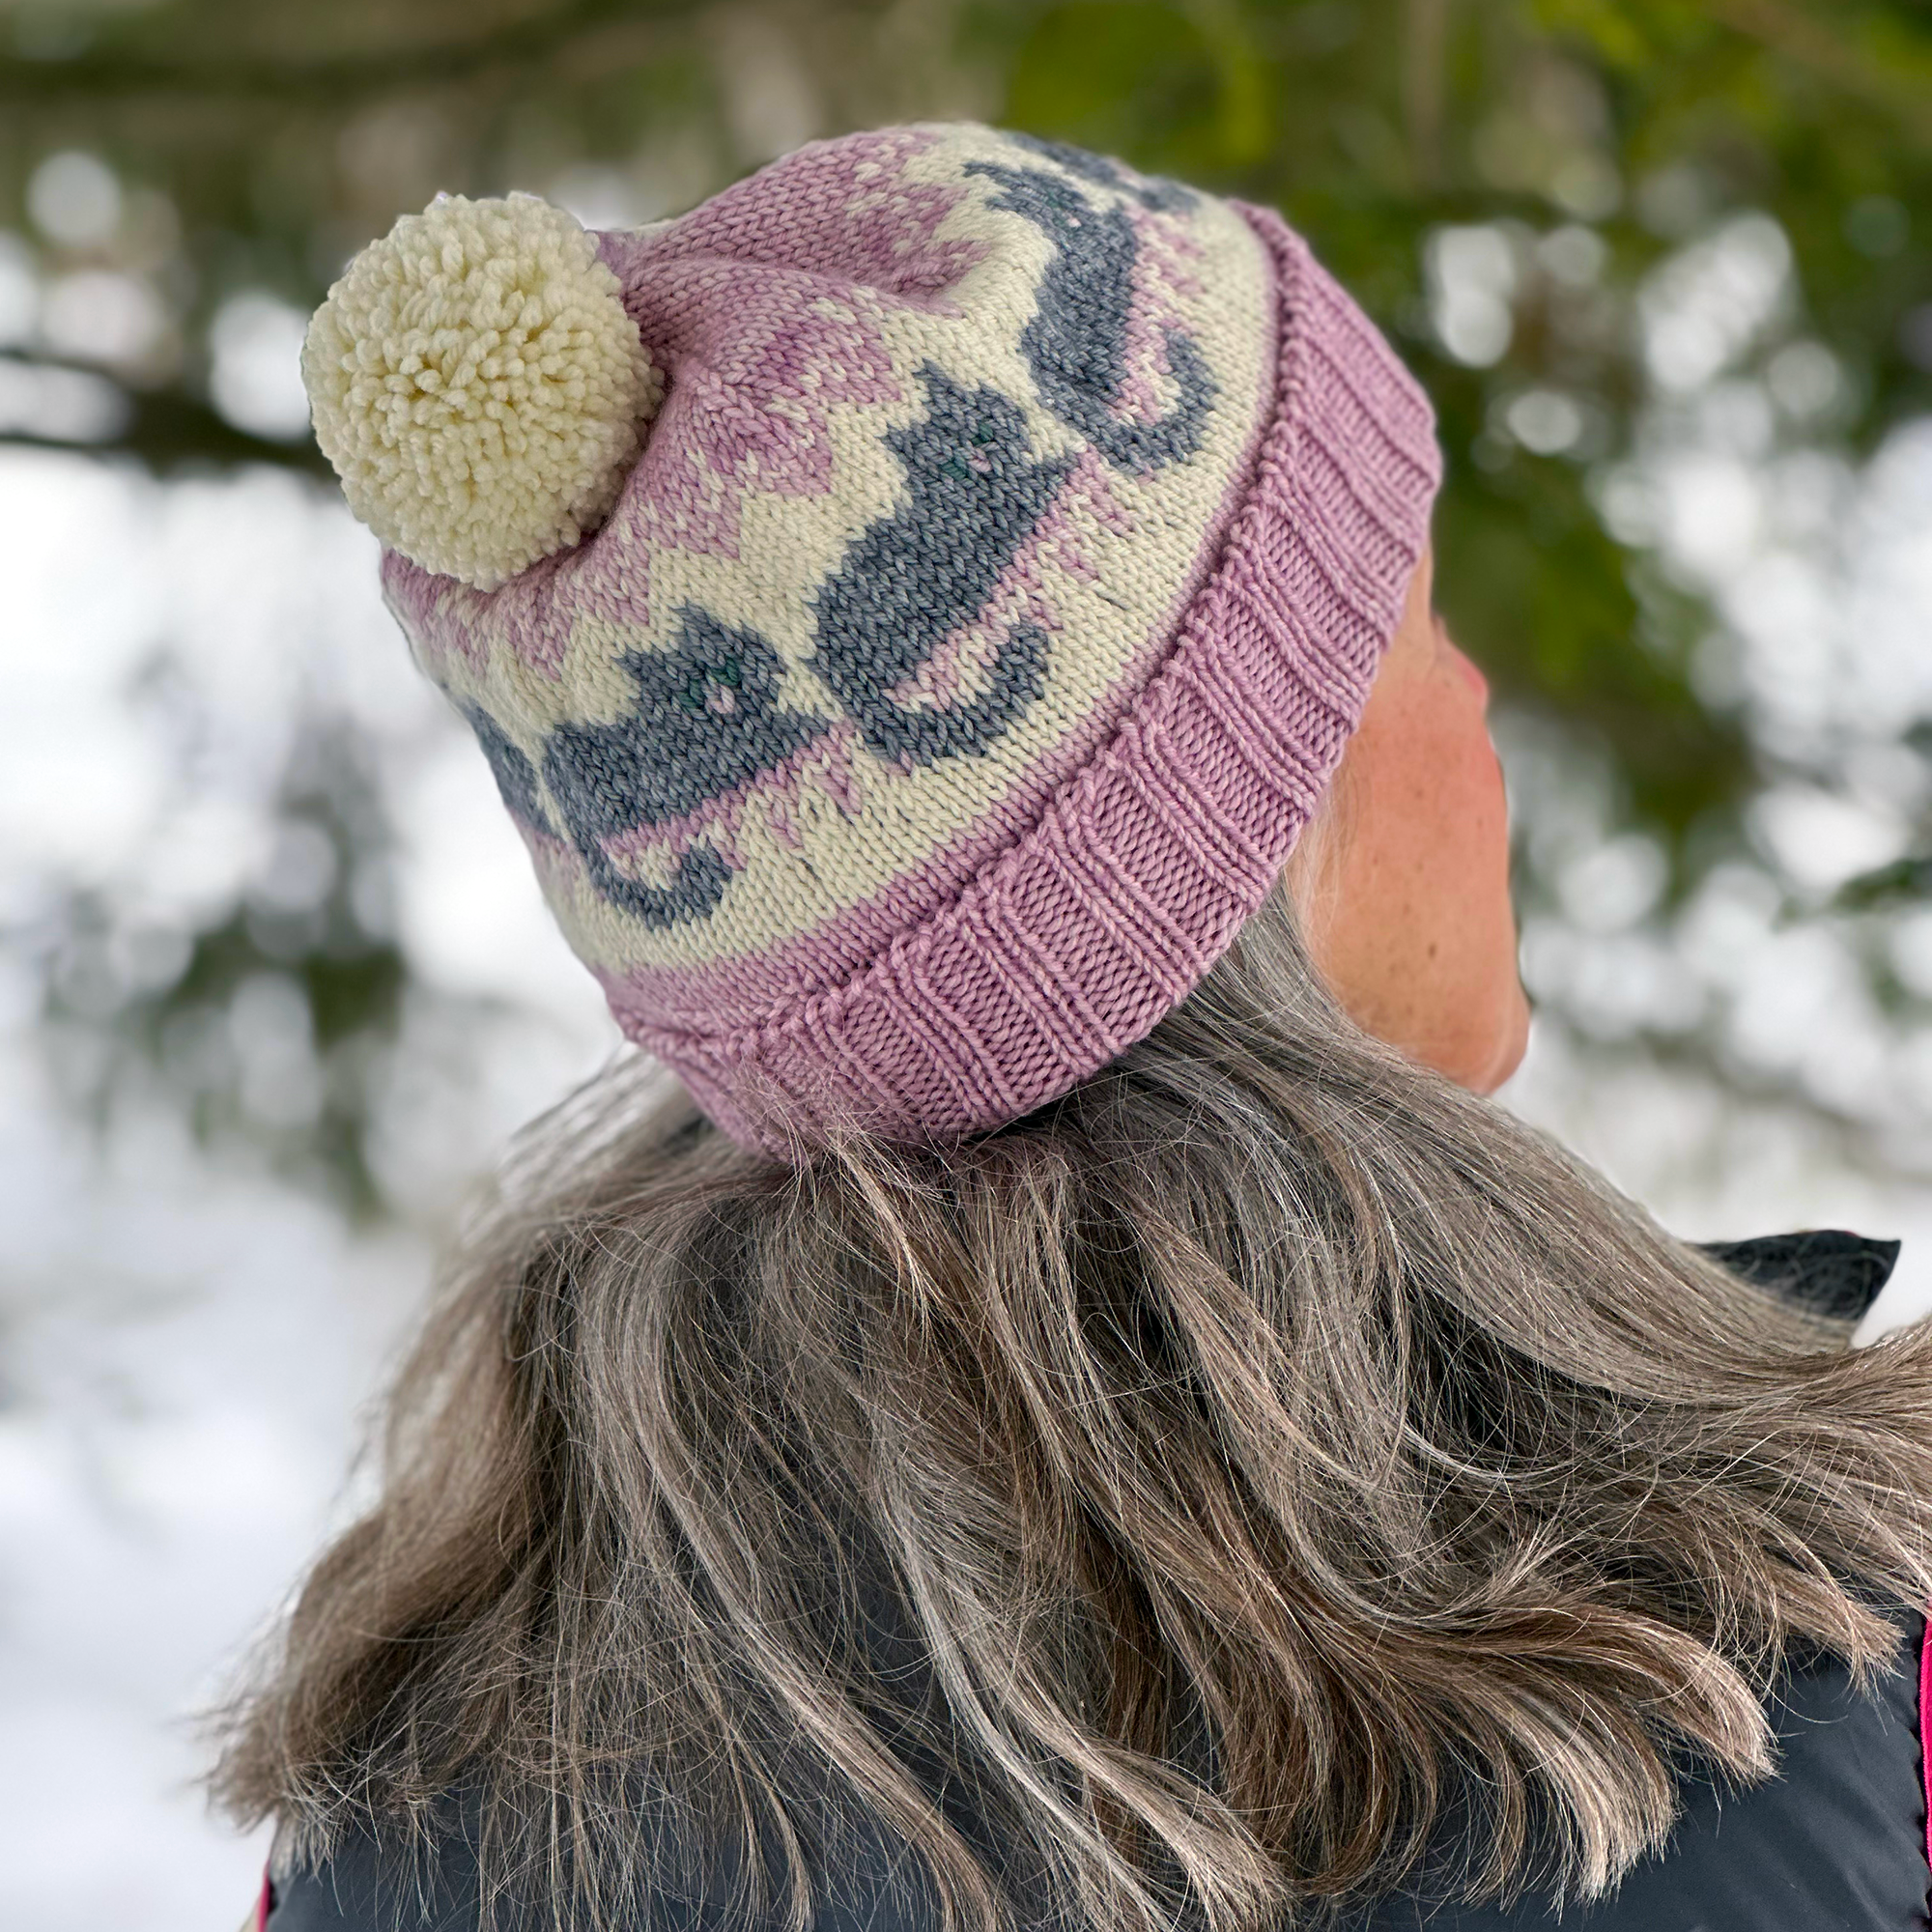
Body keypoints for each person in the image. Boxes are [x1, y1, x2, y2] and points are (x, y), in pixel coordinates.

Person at [219, 123, 1932, 1932]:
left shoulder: (402, 1812)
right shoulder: (1804, 1685)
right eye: (1417, 619)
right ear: (1253, 840)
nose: (1480, 693)